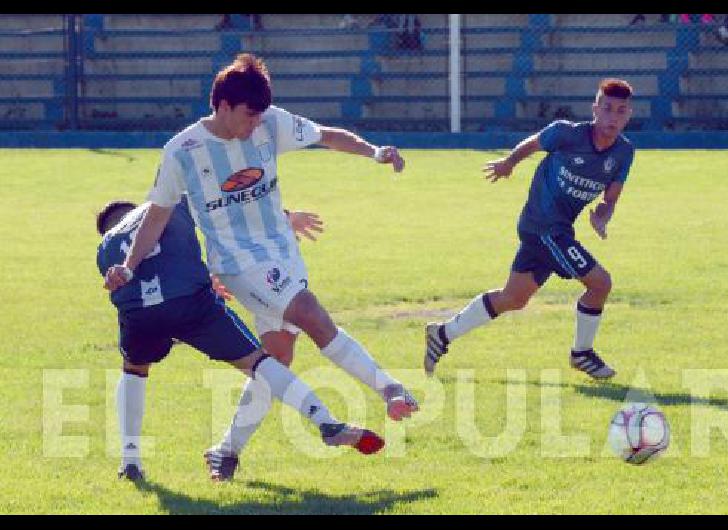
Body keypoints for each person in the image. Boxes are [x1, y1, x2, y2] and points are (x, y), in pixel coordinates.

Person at [103, 53, 419, 479]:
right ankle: (389, 388)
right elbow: (158, 214)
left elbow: (327, 136)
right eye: (249, 116)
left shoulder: (271, 123)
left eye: (260, 116)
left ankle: (226, 450)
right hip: (237, 261)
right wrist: (128, 264)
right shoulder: (183, 150)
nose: (256, 125)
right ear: (224, 106)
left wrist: (375, 152)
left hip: (281, 253)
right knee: (310, 314)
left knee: (276, 359)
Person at [98, 198, 384, 482]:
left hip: (139, 313)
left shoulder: (104, 248)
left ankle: (130, 461)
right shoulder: (169, 203)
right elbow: (230, 209)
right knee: (258, 363)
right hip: (191, 303)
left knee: (134, 370)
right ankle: (326, 422)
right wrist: (285, 217)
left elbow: (147, 276)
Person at [424, 78, 636, 381]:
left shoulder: (624, 153)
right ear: (595, 109)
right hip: (544, 228)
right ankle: (581, 353)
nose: (612, 117)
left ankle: (442, 334)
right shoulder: (566, 134)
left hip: (556, 231)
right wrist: (509, 162)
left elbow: (611, 198)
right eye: (607, 109)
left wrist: (603, 215)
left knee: (514, 297)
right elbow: (535, 143)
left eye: (620, 111)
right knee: (600, 283)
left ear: (628, 115)